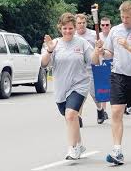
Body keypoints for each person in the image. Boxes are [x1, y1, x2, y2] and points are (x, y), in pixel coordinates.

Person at [93, 0, 131, 165]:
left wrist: (128, 47)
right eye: (122, 17)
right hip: (118, 76)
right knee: (116, 112)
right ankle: (117, 150)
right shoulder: (115, 30)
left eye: (127, 17)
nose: (124, 20)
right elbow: (109, 54)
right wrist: (101, 51)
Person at [41, 12, 97, 160]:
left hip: (79, 85)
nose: (68, 31)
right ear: (60, 28)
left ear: (75, 28)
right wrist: (50, 50)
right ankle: (79, 145)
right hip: (61, 88)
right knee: (69, 118)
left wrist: (97, 51)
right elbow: (43, 63)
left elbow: (94, 61)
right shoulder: (54, 44)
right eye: (65, 28)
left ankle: (72, 149)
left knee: (71, 115)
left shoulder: (82, 43)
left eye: (71, 28)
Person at [75, 13, 108, 124]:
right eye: (79, 23)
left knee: (94, 93)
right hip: (77, 69)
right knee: (79, 94)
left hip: (92, 67)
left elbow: (103, 48)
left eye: (83, 23)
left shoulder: (94, 34)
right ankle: (78, 117)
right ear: (75, 24)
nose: (81, 25)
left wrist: (100, 46)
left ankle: (100, 109)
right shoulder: (72, 35)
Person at [99, 17, 112, 116]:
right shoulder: (97, 36)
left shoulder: (114, 35)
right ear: (100, 26)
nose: (105, 27)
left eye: (107, 25)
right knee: (103, 87)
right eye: (103, 25)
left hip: (113, 63)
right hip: (102, 63)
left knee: (115, 87)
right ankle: (104, 110)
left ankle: (123, 106)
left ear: (110, 25)